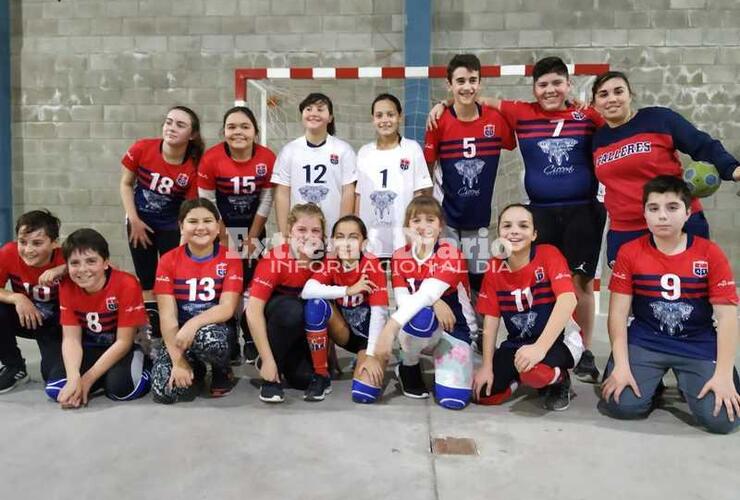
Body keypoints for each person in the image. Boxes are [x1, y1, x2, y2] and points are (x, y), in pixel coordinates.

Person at [427, 56, 606, 383]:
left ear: (568, 84)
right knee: (539, 282)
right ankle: (536, 338)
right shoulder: (521, 112)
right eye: (543, 84)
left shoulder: (587, 114)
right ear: (534, 88)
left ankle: (585, 349)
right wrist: (444, 103)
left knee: (580, 284)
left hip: (583, 209)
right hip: (539, 211)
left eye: (556, 83)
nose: (550, 90)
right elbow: (478, 97)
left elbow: (616, 123)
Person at [600, 176, 739, 434]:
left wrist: (722, 375)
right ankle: (652, 385)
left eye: (672, 208)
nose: (662, 216)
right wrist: (620, 366)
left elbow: (728, 317)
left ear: (688, 212)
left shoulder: (710, 254)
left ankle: (692, 380)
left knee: (722, 420)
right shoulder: (629, 252)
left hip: (696, 341)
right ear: (644, 214)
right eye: (654, 209)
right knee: (621, 404)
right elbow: (618, 315)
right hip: (646, 338)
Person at [590, 70, 740, 266]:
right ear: (594, 103)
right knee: (632, 295)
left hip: (676, 222)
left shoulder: (659, 119)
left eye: (619, 91)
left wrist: (733, 170)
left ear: (630, 95)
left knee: (690, 293)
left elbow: (702, 144)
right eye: (603, 94)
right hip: (626, 230)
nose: (612, 99)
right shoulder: (597, 140)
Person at [359, 196, 475, 410]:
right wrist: (434, 302)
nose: (423, 227)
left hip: (453, 329)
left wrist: (389, 329)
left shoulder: (451, 254)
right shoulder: (400, 256)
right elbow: (404, 301)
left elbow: (428, 292)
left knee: (453, 399)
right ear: (407, 227)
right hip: (419, 328)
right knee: (420, 317)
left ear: (440, 227)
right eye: (416, 221)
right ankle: (408, 366)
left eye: (430, 220)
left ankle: (447, 363)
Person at [473, 204, 583, 411]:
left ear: (534, 235)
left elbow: (568, 300)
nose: (514, 231)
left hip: (559, 341)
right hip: (518, 343)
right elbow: (490, 320)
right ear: (499, 233)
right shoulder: (494, 267)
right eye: (507, 226)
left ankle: (560, 379)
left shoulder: (549, 254)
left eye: (523, 226)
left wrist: (539, 348)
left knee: (535, 372)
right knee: (484, 394)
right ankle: (520, 377)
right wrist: (487, 366)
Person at [423, 54, 515, 300]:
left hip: (480, 218)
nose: (467, 87)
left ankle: (480, 333)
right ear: (449, 84)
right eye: (460, 81)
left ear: (480, 83)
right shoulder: (438, 120)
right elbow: (427, 169)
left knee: (479, 279)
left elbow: (514, 139)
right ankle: (451, 332)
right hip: (447, 216)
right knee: (447, 277)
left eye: (473, 80)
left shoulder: (495, 120)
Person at [198, 106, 276, 364]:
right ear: (223, 131)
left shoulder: (266, 157)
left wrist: (253, 236)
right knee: (227, 284)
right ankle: (228, 337)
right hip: (221, 229)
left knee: (252, 284)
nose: (238, 132)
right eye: (231, 127)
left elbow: (266, 198)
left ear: (255, 131)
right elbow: (207, 200)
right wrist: (223, 237)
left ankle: (252, 337)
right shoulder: (211, 158)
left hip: (254, 227)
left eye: (245, 126)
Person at [119, 105, 204, 339]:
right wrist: (134, 220)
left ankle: (174, 330)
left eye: (180, 124)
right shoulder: (142, 148)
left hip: (170, 226)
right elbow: (126, 184)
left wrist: (182, 242)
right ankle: (154, 334)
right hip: (140, 223)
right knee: (146, 279)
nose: (171, 128)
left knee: (169, 279)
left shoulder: (193, 167)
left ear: (192, 134)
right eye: (168, 122)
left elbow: (188, 210)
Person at [150, 199, 244, 403]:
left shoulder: (230, 258)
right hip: (180, 335)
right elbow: (167, 315)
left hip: (215, 331)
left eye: (207, 221)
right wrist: (178, 361)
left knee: (209, 339)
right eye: (193, 221)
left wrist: (193, 324)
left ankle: (222, 370)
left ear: (218, 226)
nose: (200, 227)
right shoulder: (168, 260)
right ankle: (197, 369)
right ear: (181, 226)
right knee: (165, 392)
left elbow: (227, 308)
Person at [51, 229, 151, 408]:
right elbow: (71, 338)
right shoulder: (66, 285)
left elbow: (124, 342)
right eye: (75, 263)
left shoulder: (126, 283)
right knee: (55, 388)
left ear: (105, 262)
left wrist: (87, 380)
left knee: (121, 390)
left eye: (91, 261)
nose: (82, 270)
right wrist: (74, 379)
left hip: (125, 347)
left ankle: (148, 367)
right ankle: (102, 376)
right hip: (91, 347)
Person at [301, 215, 389, 402]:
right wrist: (348, 290)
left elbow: (379, 315)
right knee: (315, 303)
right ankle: (321, 374)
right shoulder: (332, 262)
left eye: (353, 237)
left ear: (364, 243)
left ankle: (377, 358)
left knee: (365, 393)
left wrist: (372, 355)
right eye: (340, 237)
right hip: (345, 334)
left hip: (370, 338)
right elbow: (307, 291)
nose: (346, 243)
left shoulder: (372, 265)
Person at [246, 203, 326, 403]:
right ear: (289, 233)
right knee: (292, 309)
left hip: (300, 329)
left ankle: (286, 359)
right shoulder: (275, 259)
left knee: (303, 380)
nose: (308, 236)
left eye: (315, 230)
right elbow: (253, 311)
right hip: (275, 318)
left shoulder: (326, 260)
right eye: (301, 229)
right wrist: (268, 360)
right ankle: (270, 378)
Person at [355, 93, 432, 259]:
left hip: (403, 237)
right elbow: (359, 195)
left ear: (400, 117)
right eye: (379, 115)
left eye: (390, 114)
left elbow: (421, 193)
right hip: (372, 237)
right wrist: (356, 230)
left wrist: (418, 230)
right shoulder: (364, 152)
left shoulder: (412, 149)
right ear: (373, 119)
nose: (385, 120)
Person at [272, 92, 357, 238]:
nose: (314, 113)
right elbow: (282, 193)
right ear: (302, 115)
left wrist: (343, 232)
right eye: (308, 109)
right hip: (299, 232)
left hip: (331, 230)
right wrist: (283, 233)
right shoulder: (289, 151)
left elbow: (348, 193)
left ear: (330, 117)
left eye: (320, 109)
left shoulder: (344, 150)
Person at [0, 210, 66, 393]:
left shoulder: (66, 256)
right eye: (23, 242)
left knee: (54, 380)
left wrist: (64, 268)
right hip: (27, 318)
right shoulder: (8, 253)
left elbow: (106, 267)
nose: (28, 250)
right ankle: (14, 366)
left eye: (37, 243)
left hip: (57, 324)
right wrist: (17, 297)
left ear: (54, 243)